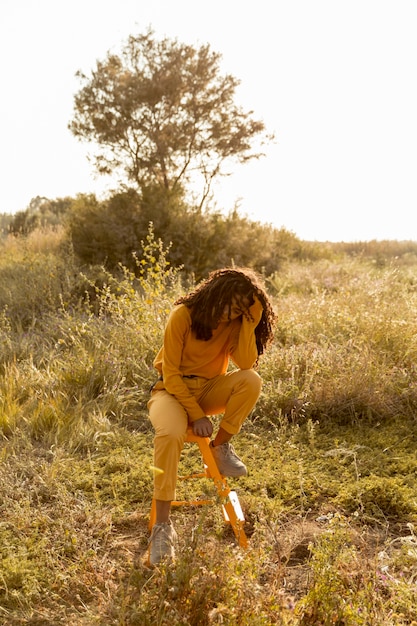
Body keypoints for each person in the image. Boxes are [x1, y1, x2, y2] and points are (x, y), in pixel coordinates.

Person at [147, 267, 276, 566]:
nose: (230, 316)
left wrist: (249, 321)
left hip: (208, 390)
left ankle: (220, 447)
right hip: (170, 393)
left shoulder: (235, 323)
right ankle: (162, 529)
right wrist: (195, 414)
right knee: (170, 434)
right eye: (231, 307)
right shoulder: (183, 315)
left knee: (251, 380)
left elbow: (245, 363)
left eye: (239, 312)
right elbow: (171, 374)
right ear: (216, 293)